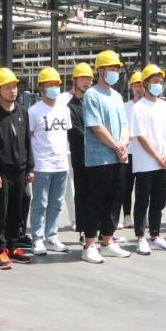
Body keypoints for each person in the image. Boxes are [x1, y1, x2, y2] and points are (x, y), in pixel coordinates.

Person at [79, 50, 132, 264]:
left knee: (114, 201)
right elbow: (96, 126)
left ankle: (108, 241)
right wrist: (117, 145)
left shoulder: (117, 96)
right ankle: (89, 245)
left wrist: (123, 144)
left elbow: (125, 125)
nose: (114, 72)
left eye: (116, 68)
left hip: (118, 157)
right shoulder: (92, 95)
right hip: (99, 159)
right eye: (111, 68)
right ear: (100, 70)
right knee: (95, 202)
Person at [0, 68, 34, 269]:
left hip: (20, 169)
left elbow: (27, 141)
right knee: (0, 211)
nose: (13, 91)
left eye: (14, 87)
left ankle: (13, 245)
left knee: (16, 209)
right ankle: (0, 250)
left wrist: (30, 167)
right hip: (2, 171)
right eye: (7, 87)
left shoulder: (22, 112)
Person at [130, 64, 166, 254]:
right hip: (145, 162)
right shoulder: (139, 107)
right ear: (145, 83)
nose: (158, 84)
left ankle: (156, 235)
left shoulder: (165, 106)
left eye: (160, 81)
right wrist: (157, 156)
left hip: (163, 162)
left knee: (159, 201)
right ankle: (141, 237)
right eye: (154, 81)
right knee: (143, 200)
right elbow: (141, 136)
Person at [26, 67, 72, 256]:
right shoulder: (34, 111)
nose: (54, 88)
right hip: (42, 164)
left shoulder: (64, 109)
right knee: (40, 203)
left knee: (57, 203)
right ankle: (37, 238)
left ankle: (51, 236)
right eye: (49, 84)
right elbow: (28, 138)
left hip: (61, 163)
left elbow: (66, 135)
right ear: (41, 87)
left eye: (56, 84)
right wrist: (30, 165)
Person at [63, 63, 94, 240]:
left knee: (97, 194)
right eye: (82, 78)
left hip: (98, 156)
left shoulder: (94, 101)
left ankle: (98, 229)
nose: (86, 81)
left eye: (89, 78)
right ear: (74, 80)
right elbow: (76, 133)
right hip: (79, 156)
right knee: (81, 193)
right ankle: (83, 229)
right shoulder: (69, 105)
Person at [121, 70, 144, 229]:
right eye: (136, 85)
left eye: (141, 85)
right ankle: (127, 215)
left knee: (142, 188)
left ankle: (141, 216)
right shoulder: (125, 107)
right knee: (126, 186)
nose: (139, 88)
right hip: (129, 152)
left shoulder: (148, 106)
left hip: (144, 152)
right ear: (131, 87)